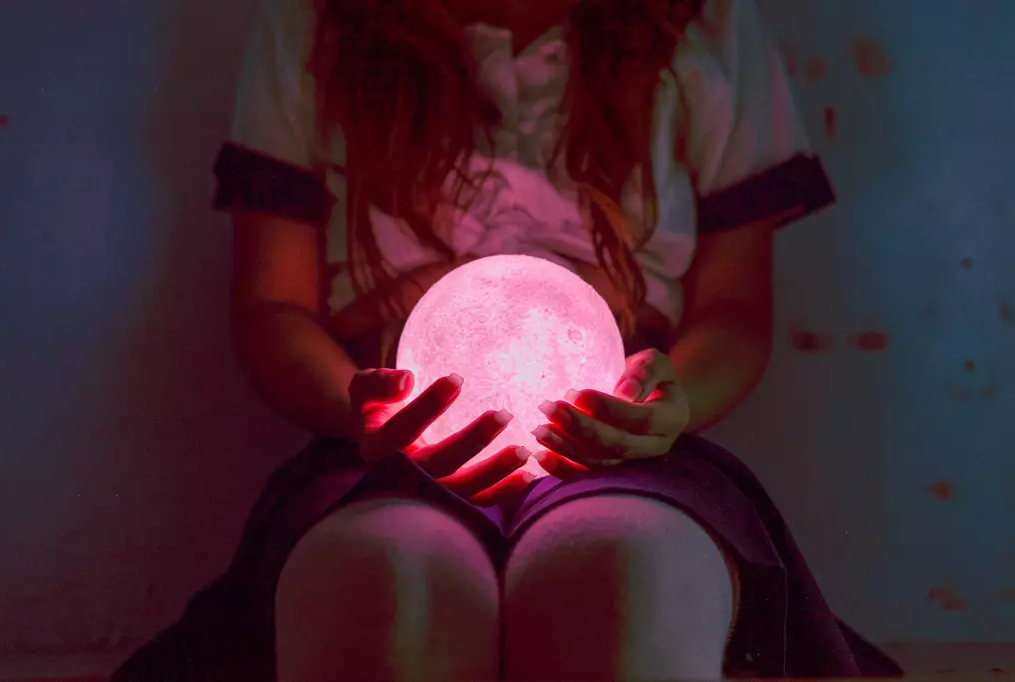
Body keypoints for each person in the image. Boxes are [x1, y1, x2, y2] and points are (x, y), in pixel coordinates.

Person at [114, 0, 905, 680]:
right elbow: (273, 307)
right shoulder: (319, 18)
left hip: (617, 438)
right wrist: (360, 412)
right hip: (383, 441)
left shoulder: (699, 18)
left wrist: (669, 405)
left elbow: (733, 310)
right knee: (389, 582)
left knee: (624, 576)